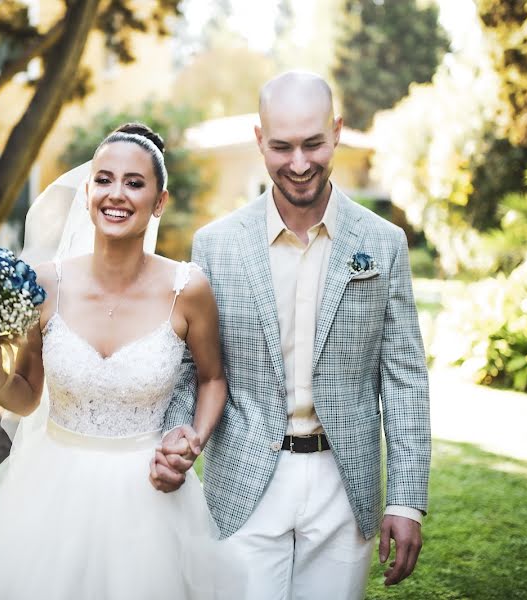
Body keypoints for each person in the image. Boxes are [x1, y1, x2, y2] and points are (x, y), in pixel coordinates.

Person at [0, 124, 235, 599]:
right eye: (104, 179)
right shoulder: (44, 284)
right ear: (87, 190)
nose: (116, 194)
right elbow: (27, 394)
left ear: (159, 201)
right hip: (49, 491)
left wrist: (192, 440)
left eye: (135, 183)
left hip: (148, 494)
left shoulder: (188, 289)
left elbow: (213, 379)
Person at [153, 71, 431, 599]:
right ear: (260, 140)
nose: (299, 164)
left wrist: (405, 500)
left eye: (313, 144)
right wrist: (175, 434)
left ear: (337, 132)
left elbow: (404, 379)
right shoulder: (215, 245)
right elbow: (191, 366)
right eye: (281, 147)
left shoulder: (384, 242)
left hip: (344, 483)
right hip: (243, 478)